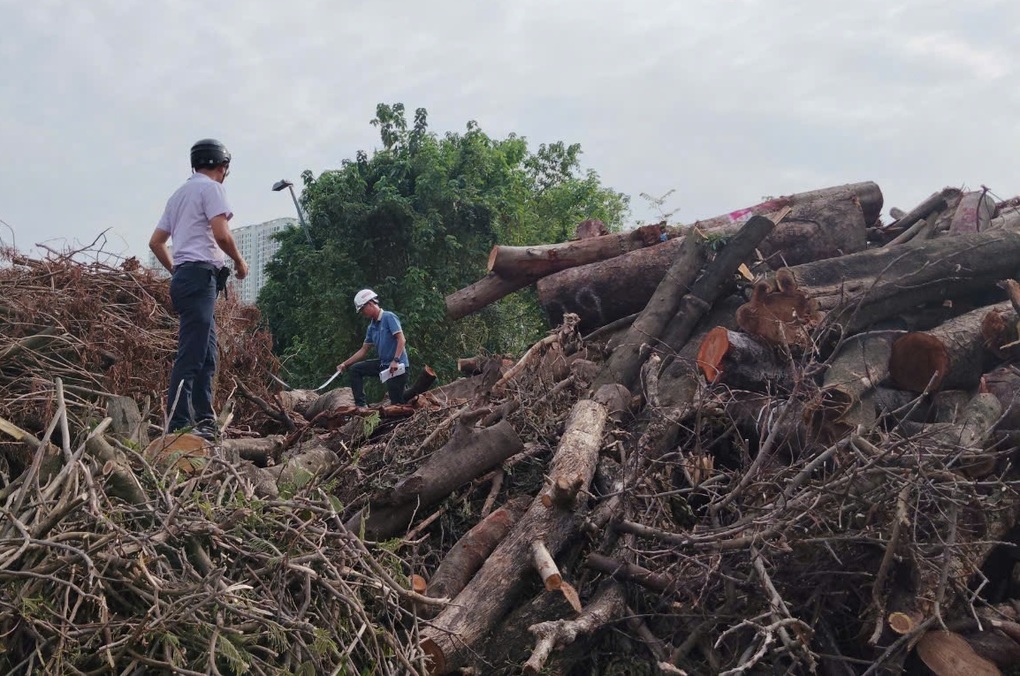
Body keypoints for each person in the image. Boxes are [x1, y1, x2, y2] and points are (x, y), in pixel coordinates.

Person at [148, 139, 249, 439]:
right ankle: (179, 425)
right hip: (199, 277)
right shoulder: (212, 188)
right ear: (222, 167)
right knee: (192, 355)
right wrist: (240, 262)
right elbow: (221, 234)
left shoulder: (178, 195)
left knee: (207, 356)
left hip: (189, 279)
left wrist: (177, 270)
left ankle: (204, 421)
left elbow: (156, 242)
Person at [336, 289, 410, 407]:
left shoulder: (389, 317)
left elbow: (401, 339)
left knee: (397, 403)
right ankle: (361, 406)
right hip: (384, 365)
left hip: (397, 367)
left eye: (362, 310)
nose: (362, 313)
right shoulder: (372, 326)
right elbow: (363, 350)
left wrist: (395, 360)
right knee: (355, 370)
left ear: (370, 304)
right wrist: (345, 364)